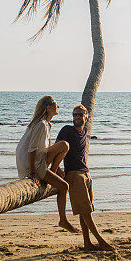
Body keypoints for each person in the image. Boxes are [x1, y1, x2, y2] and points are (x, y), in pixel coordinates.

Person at [16, 95, 79, 233]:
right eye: (56, 105)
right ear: (48, 108)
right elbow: (32, 150)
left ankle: (53, 171)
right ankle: (63, 220)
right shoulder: (41, 125)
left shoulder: (46, 124)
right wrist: (32, 173)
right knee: (64, 186)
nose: (58, 107)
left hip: (40, 162)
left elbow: (46, 150)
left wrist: (57, 169)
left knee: (64, 145)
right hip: (35, 166)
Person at [56, 103, 113, 250]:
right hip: (74, 175)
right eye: (74, 114)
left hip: (86, 173)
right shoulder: (66, 130)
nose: (77, 117)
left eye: (80, 114)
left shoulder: (85, 131)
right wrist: (57, 171)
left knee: (85, 211)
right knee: (86, 212)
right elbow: (56, 149)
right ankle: (101, 242)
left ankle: (87, 242)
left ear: (86, 116)